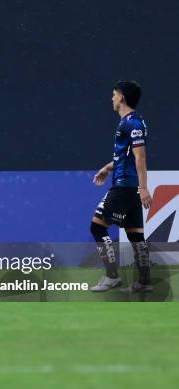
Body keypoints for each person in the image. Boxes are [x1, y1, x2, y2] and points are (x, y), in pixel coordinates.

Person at [90, 81, 152, 292]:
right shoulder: (135, 122)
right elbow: (126, 155)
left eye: (114, 94)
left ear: (122, 98)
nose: (112, 98)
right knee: (135, 235)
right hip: (131, 186)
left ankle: (112, 276)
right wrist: (107, 168)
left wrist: (144, 188)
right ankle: (144, 282)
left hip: (124, 186)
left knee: (97, 227)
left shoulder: (130, 123)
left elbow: (140, 156)